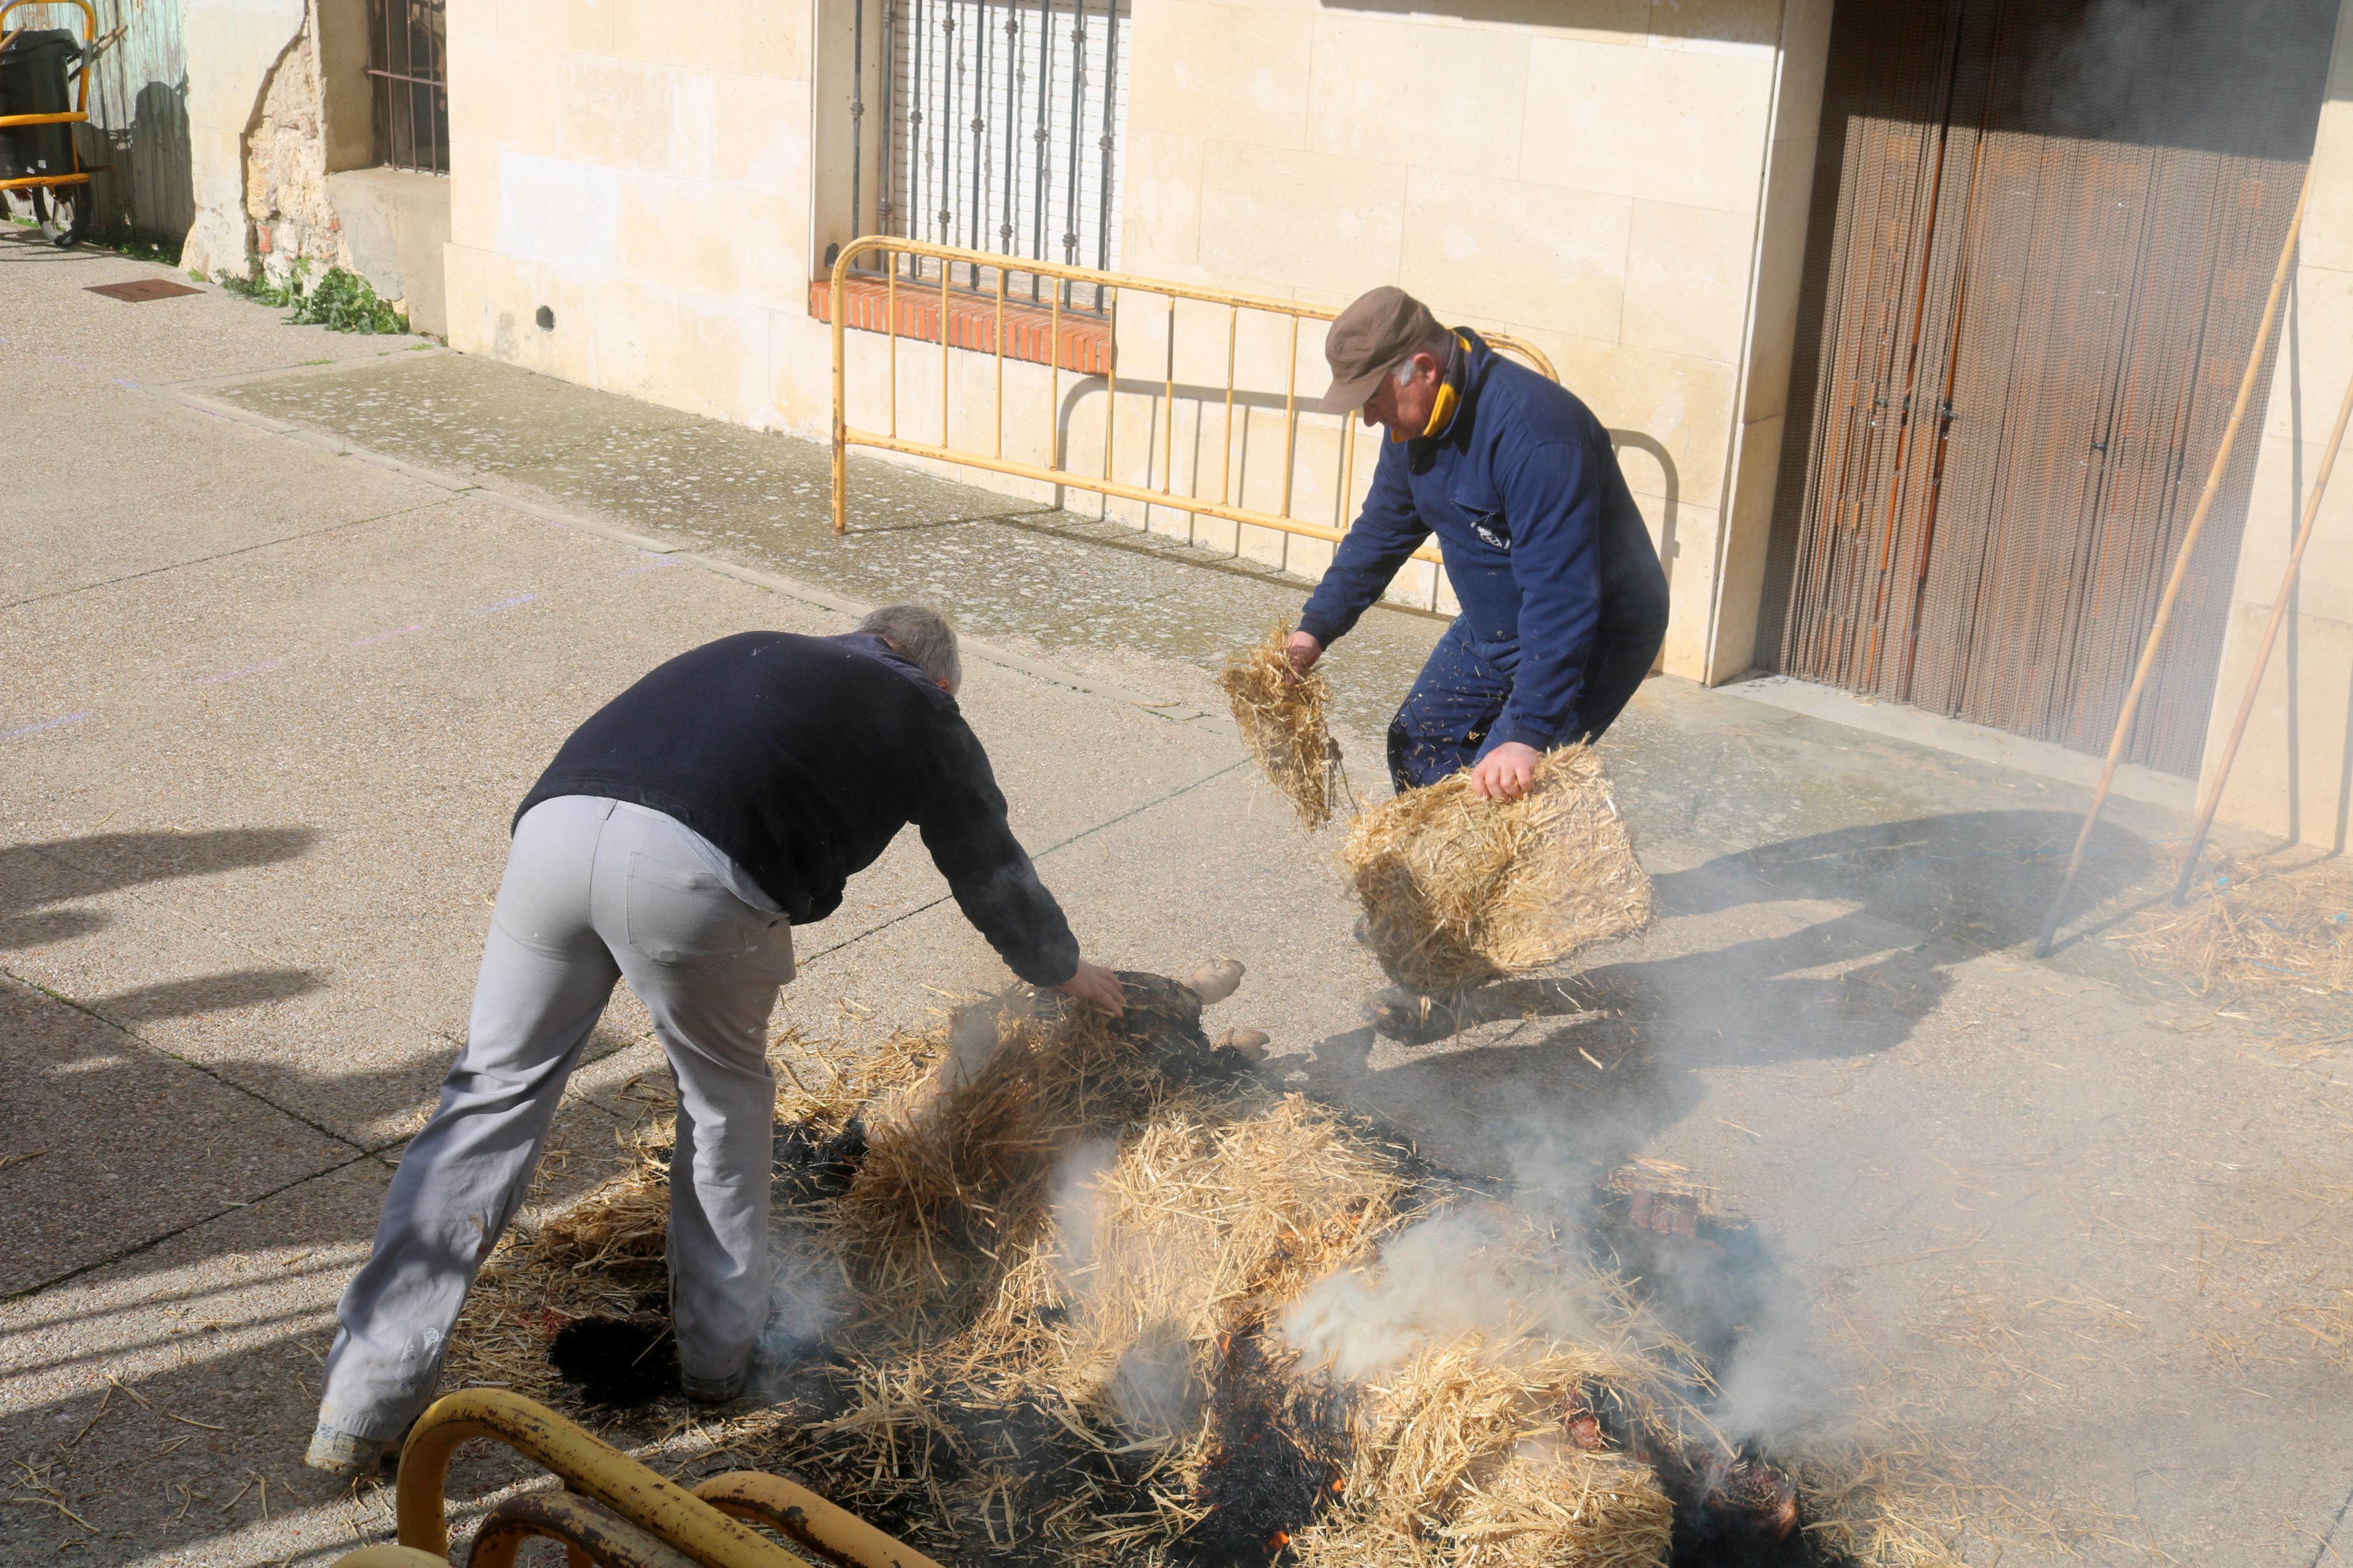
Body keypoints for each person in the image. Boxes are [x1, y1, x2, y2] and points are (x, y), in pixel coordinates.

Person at [306, 605, 1124, 1474]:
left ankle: (360, 1405)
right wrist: (1059, 966)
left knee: (489, 1096)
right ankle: (717, 1363)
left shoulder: (758, 648)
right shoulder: (924, 707)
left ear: (862, 636)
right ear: (941, 678)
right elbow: (982, 852)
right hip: (695, 871)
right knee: (724, 1109)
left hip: (553, 831)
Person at [1287, 287, 1670, 800]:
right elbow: (1381, 531)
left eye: (1373, 399)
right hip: (1497, 619)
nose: (1371, 418)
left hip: (1588, 628)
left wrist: (1525, 734)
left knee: (1504, 786)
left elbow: (1562, 596)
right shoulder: (1414, 425)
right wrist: (1313, 630)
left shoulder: (1536, 436)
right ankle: (1440, 876)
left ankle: (1546, 878)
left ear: (1422, 367)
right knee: (1418, 742)